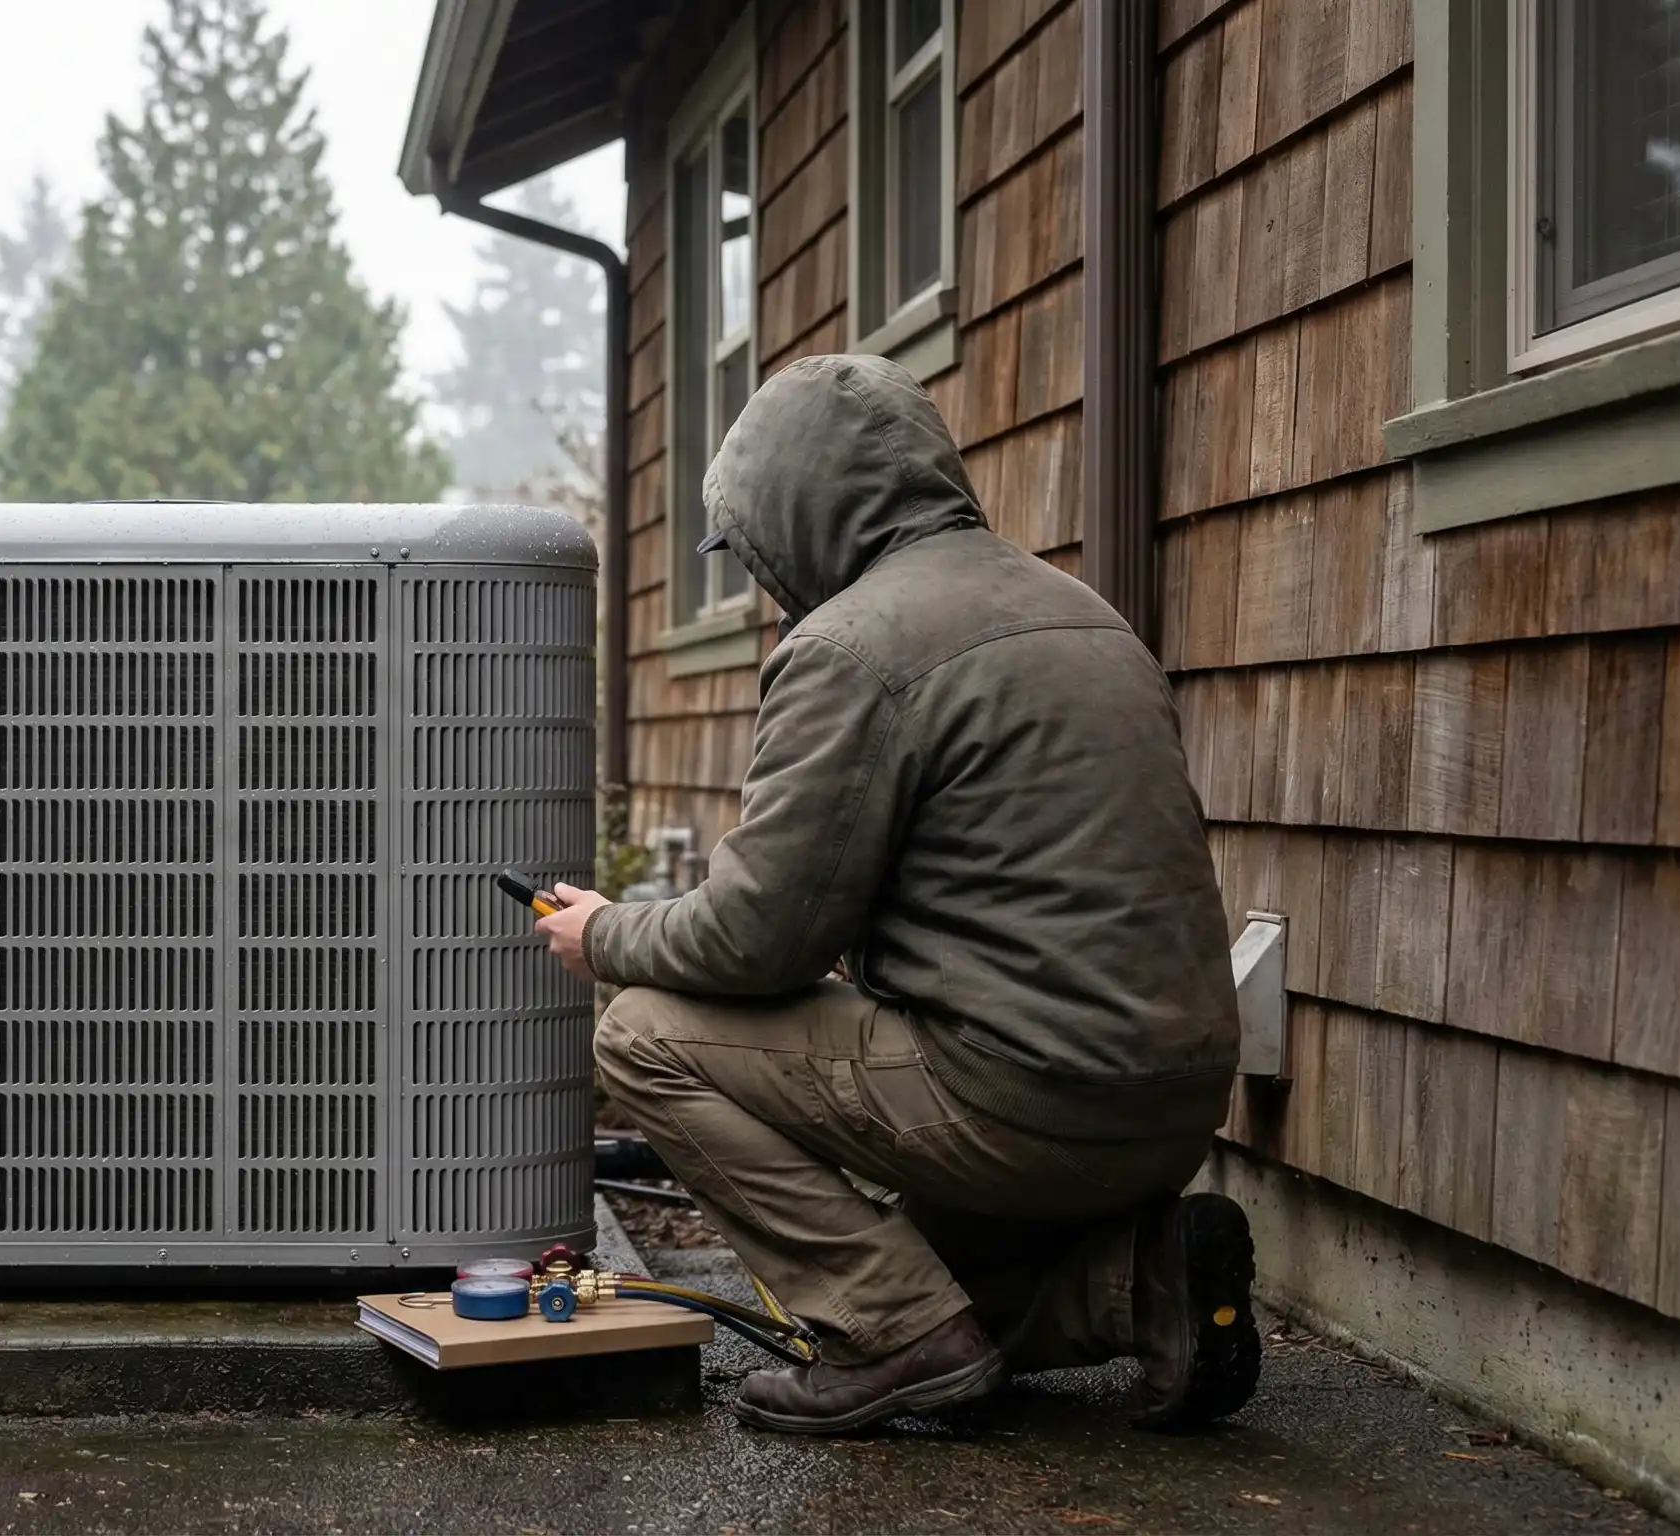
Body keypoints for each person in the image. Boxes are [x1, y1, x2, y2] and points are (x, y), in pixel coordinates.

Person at [538, 355, 1255, 1437]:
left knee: (645, 1033)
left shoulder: (852, 647)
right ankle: (1139, 1285)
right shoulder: (1086, 615)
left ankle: (892, 1338)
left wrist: (605, 933)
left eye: (754, 552)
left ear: (798, 518)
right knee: (937, 1283)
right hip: (1173, 1104)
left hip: (1020, 1098)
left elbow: (755, 940)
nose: (762, 582)